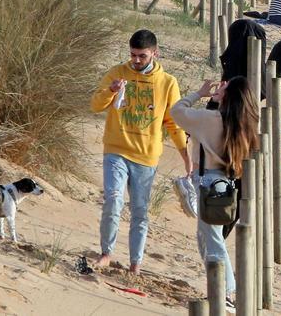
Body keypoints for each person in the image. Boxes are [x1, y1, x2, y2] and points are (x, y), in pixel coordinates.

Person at [91, 30, 191, 273]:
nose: (136, 61)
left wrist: (186, 156)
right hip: (116, 149)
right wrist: (112, 91)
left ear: (155, 53)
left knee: (139, 210)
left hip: (147, 155)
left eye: (142, 56)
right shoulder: (117, 73)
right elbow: (95, 105)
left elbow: (173, 122)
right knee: (113, 200)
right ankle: (106, 252)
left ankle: (135, 263)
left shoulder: (168, 82)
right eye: (133, 55)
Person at [170, 76, 260, 302]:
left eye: (224, 87)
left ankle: (228, 292)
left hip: (208, 183)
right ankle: (220, 288)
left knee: (212, 239)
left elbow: (177, 111)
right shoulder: (243, 123)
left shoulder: (210, 119)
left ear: (230, 95)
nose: (219, 88)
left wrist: (199, 93)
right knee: (207, 237)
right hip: (227, 185)